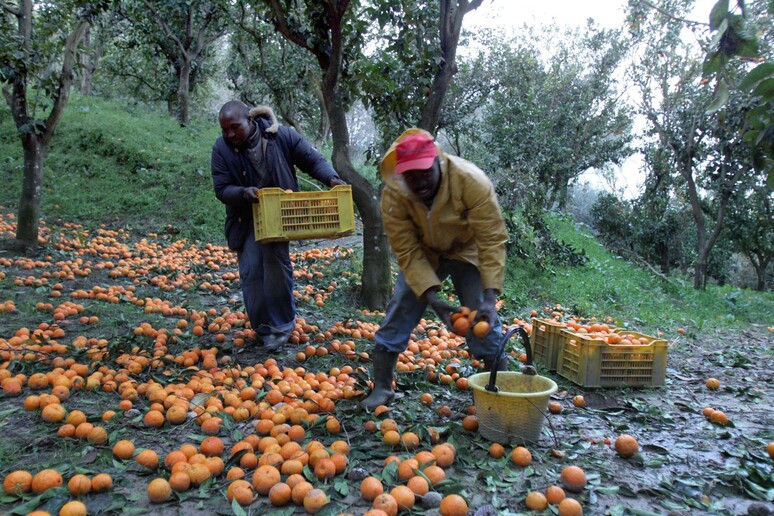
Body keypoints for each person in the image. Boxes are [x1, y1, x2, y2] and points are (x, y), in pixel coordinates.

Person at [361, 129, 509, 409]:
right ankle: (382, 387)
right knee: (403, 303)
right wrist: (432, 299)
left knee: (480, 313)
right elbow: (406, 248)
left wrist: (490, 299)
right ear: (400, 175)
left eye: (425, 172)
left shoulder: (470, 181)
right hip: (424, 252)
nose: (419, 182)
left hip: (467, 248)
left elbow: (491, 239)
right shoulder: (394, 195)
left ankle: (497, 387)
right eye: (411, 176)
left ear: (437, 162)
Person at [211, 101, 345, 352]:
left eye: (234, 127)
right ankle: (263, 328)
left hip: (278, 214)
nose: (230, 134)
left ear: (250, 121)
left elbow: (311, 159)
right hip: (246, 218)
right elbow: (221, 188)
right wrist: (243, 192)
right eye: (224, 129)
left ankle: (282, 326)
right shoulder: (222, 149)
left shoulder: (279, 135)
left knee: (275, 267)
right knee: (251, 271)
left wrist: (331, 178)